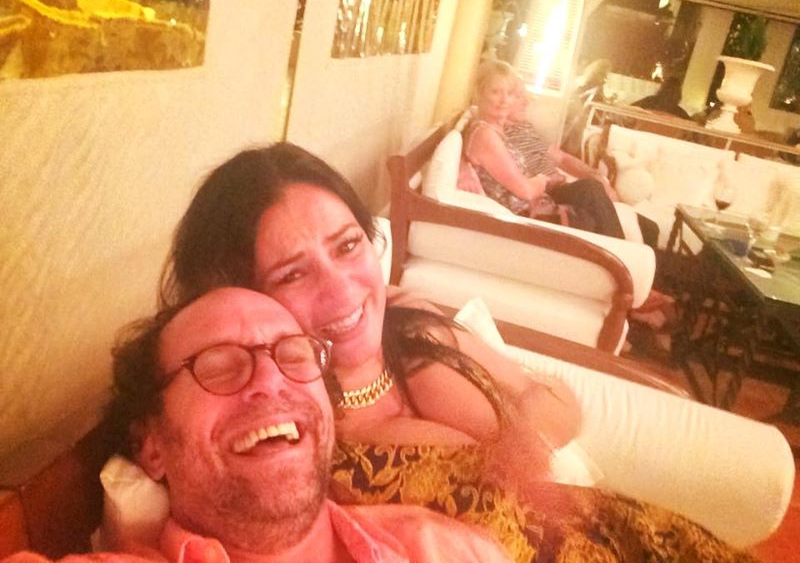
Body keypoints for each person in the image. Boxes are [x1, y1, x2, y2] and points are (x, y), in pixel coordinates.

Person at [156, 143, 755, 562]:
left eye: (347, 246)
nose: (342, 290)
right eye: (292, 274)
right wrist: (511, 434)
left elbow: (561, 407)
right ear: (239, 297)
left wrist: (505, 426)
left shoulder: (414, 329)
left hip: (620, 530)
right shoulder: (288, 443)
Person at [5, 288, 512, 563]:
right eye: (218, 365)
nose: (271, 380)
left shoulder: (448, 549)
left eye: (294, 355)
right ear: (152, 446)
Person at [461, 59, 660, 249]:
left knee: (646, 227)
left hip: (536, 202)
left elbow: (474, 146)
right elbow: (524, 189)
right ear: (479, 92)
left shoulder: (499, 128)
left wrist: (596, 175)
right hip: (524, 216)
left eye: (510, 94)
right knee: (591, 194)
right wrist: (543, 180)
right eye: (496, 92)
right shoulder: (487, 132)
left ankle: (625, 260)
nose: (506, 100)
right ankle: (621, 261)